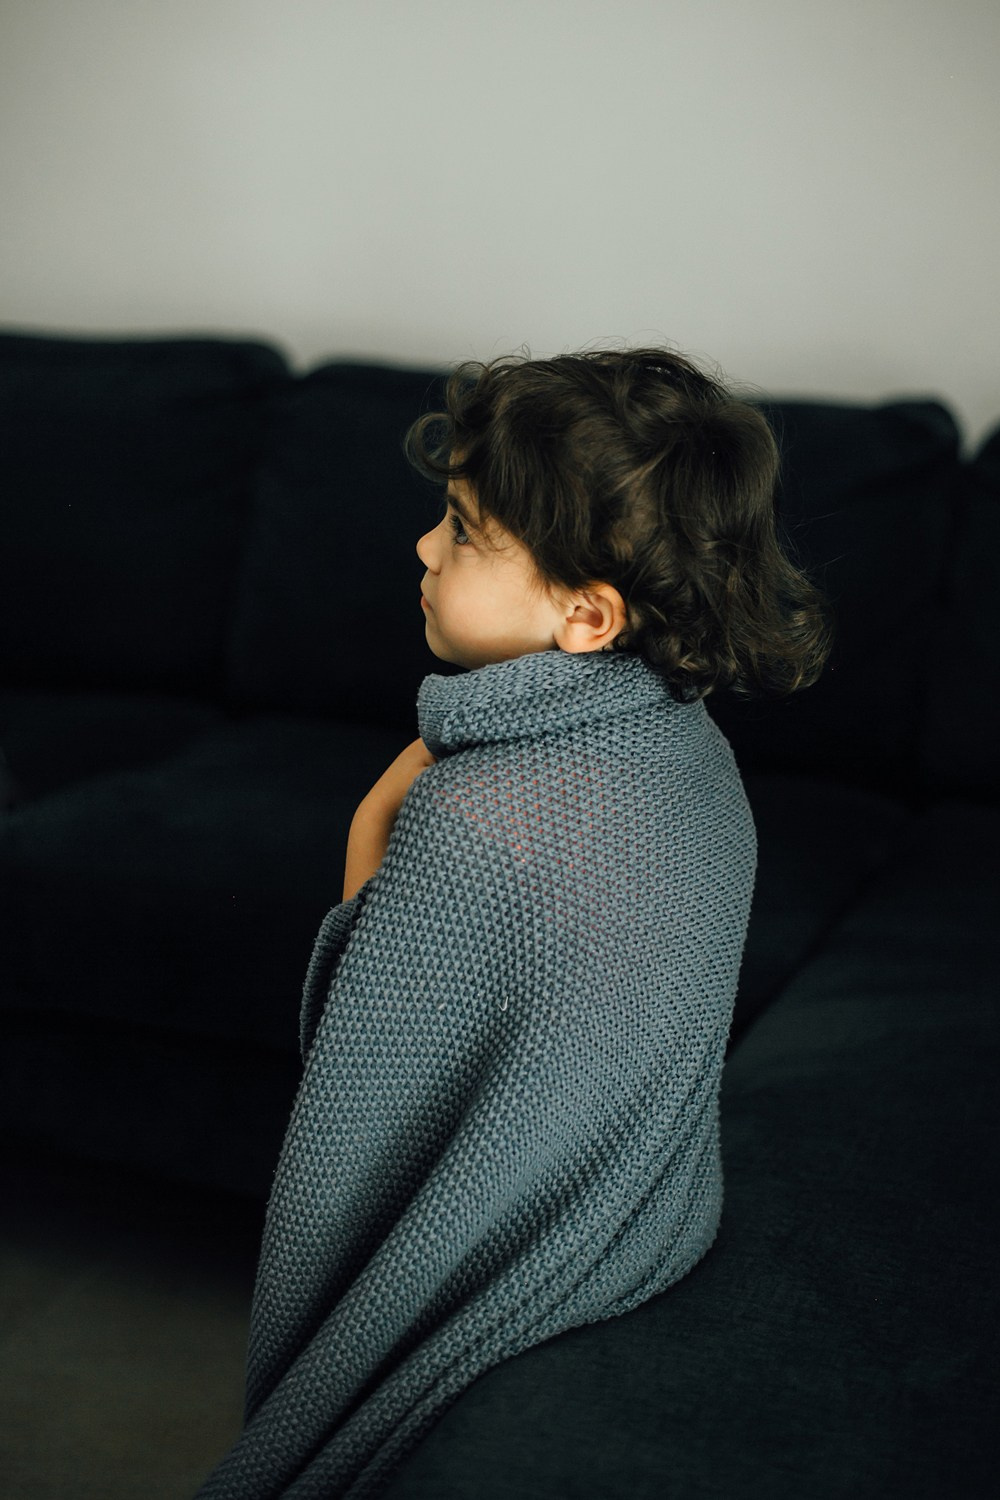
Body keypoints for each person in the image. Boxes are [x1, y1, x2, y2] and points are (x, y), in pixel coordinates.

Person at [196, 347, 830, 1500]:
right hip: (668, 1221)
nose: (423, 548)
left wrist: (373, 824)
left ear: (585, 615)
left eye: (461, 528)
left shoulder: (477, 818)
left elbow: (360, 1096)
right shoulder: (691, 747)